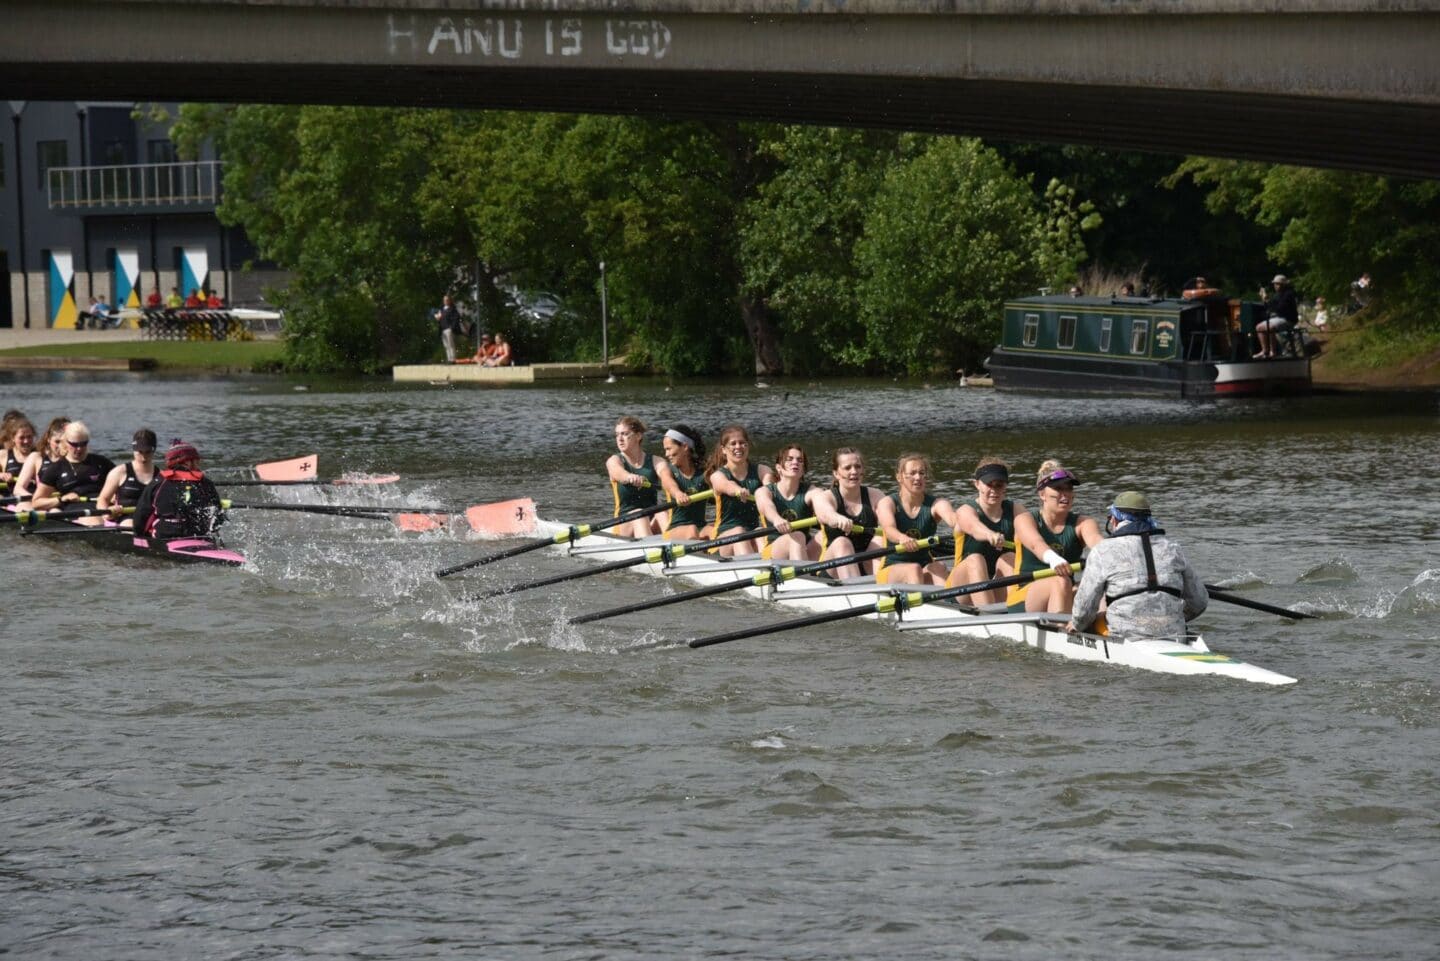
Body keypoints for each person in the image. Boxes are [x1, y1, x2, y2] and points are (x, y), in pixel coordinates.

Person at [1065, 491, 1208, 640]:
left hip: (1125, 635)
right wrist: (1170, 619)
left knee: (1091, 620)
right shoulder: (1173, 548)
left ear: (1114, 520)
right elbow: (1200, 601)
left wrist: (1076, 625)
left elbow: (1084, 608)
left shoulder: (1102, 550)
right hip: (1173, 633)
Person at [1008, 460, 1104, 614]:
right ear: (1042, 494)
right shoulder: (1025, 519)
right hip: (1024, 595)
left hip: (1064, 590)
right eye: (1058, 489)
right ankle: (1062, 630)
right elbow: (1035, 543)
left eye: (1069, 488)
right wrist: (1053, 559)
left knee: (1102, 585)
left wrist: (1115, 554)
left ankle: (1109, 630)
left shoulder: (1084, 523)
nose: (1065, 494)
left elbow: (1096, 541)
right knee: (1060, 581)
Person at [946, 457, 1024, 605]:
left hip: (993, 585)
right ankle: (988, 613)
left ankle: (1017, 607)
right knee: (976, 559)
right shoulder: (965, 510)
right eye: (989, 484)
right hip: (960, 589)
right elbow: (974, 527)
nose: (994, 490)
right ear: (977, 484)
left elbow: (1032, 533)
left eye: (999, 485)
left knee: (1009, 557)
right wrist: (989, 535)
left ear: (1005, 486)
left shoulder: (1016, 510)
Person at [876, 453, 957, 586]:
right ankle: (919, 605)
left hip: (924, 565)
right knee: (913, 569)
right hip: (891, 568)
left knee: (939, 566)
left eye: (921, 473)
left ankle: (948, 603)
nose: (918, 477)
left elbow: (953, 520)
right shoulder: (888, 503)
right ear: (899, 477)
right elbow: (889, 529)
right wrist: (902, 538)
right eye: (912, 473)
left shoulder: (937, 503)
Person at [811, 447, 886, 580]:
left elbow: (890, 519)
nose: (854, 472)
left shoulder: (876, 495)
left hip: (865, 565)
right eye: (847, 468)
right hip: (832, 568)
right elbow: (824, 513)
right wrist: (836, 518)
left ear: (863, 470)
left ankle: (880, 586)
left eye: (858, 467)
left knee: (881, 538)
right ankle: (856, 590)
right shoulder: (826, 497)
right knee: (842, 542)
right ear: (836, 473)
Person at [705, 424, 776, 557]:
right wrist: (738, 490)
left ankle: (768, 566)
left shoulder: (762, 470)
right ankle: (753, 569)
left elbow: (770, 489)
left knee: (761, 531)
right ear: (723, 450)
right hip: (723, 538)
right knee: (739, 531)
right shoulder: (717, 476)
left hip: (752, 532)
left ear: (748, 446)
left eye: (742, 443)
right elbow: (727, 485)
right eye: (733, 444)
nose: (738, 447)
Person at [133, 440, 226, 540]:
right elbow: (218, 517)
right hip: (198, 535)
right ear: (186, 462)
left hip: (165, 536)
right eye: (196, 460)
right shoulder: (205, 483)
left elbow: (141, 516)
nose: (198, 463)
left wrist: (139, 536)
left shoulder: (158, 481)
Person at [30, 421, 117, 524]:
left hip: (104, 507)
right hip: (77, 510)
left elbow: (122, 482)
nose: (79, 449)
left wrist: (115, 496)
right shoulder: (56, 469)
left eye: (83, 444)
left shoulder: (101, 462)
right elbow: (36, 502)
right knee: (94, 520)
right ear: (65, 443)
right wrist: (61, 500)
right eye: (74, 445)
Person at [605, 416, 672, 538]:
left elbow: (666, 476)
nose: (619, 439)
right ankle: (650, 550)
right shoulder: (614, 461)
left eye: (625, 434)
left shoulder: (657, 461)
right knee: (639, 514)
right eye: (617, 435)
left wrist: (674, 488)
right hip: (624, 523)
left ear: (638, 436)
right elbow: (618, 473)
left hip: (650, 520)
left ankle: (677, 546)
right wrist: (630, 477)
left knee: (662, 512)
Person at [755, 443, 822, 562]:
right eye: (789, 459)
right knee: (797, 536)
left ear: (803, 469)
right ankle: (804, 577)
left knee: (826, 536)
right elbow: (767, 506)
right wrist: (776, 519)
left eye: (800, 460)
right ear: (778, 467)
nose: (795, 462)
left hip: (804, 549)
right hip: (773, 551)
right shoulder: (764, 491)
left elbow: (823, 500)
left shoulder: (811, 491)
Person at [659, 424, 711, 541]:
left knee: (714, 530)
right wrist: (678, 494)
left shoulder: (705, 473)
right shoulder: (667, 470)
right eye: (665, 450)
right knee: (691, 529)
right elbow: (669, 484)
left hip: (700, 526)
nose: (666, 454)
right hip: (674, 530)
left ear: (685, 447)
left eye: (669, 449)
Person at [97, 428, 158, 527]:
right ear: (134, 449)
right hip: (126, 517)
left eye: (148, 452)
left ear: (154, 449)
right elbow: (103, 499)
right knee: (131, 525)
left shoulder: (161, 475)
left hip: (151, 517)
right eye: (140, 451)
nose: (144, 456)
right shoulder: (119, 472)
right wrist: (107, 513)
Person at [13, 416, 72, 502]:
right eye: (57, 442)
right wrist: (36, 499)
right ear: (48, 439)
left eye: (65, 442)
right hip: (43, 505)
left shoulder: (77, 459)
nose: (61, 446)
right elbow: (18, 489)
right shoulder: (36, 457)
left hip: (67, 504)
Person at [1254, 274, 1299, 359]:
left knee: (1270, 327)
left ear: (1283, 285)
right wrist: (1265, 299)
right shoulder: (1277, 295)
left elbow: (1279, 309)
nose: (1275, 286)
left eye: (1277, 284)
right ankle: (1265, 351)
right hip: (1280, 318)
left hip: (1288, 319)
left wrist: (1267, 300)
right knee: (1258, 327)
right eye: (1275, 284)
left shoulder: (1288, 294)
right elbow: (1270, 307)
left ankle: (1273, 352)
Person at [1, 414, 37, 487]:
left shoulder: (40, 455)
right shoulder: (3, 455)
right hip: (10, 497)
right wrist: (1, 475)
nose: (26, 441)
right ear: (13, 438)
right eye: (21, 438)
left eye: (29, 437)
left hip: (35, 496)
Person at [433, 295, 461, 364]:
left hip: (449, 329)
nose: (445, 301)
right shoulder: (442, 309)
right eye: (444, 300)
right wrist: (437, 317)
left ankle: (453, 359)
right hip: (443, 329)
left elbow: (456, 318)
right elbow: (439, 317)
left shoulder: (452, 309)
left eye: (447, 300)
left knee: (451, 344)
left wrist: (452, 327)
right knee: (446, 345)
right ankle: (449, 359)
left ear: (449, 300)